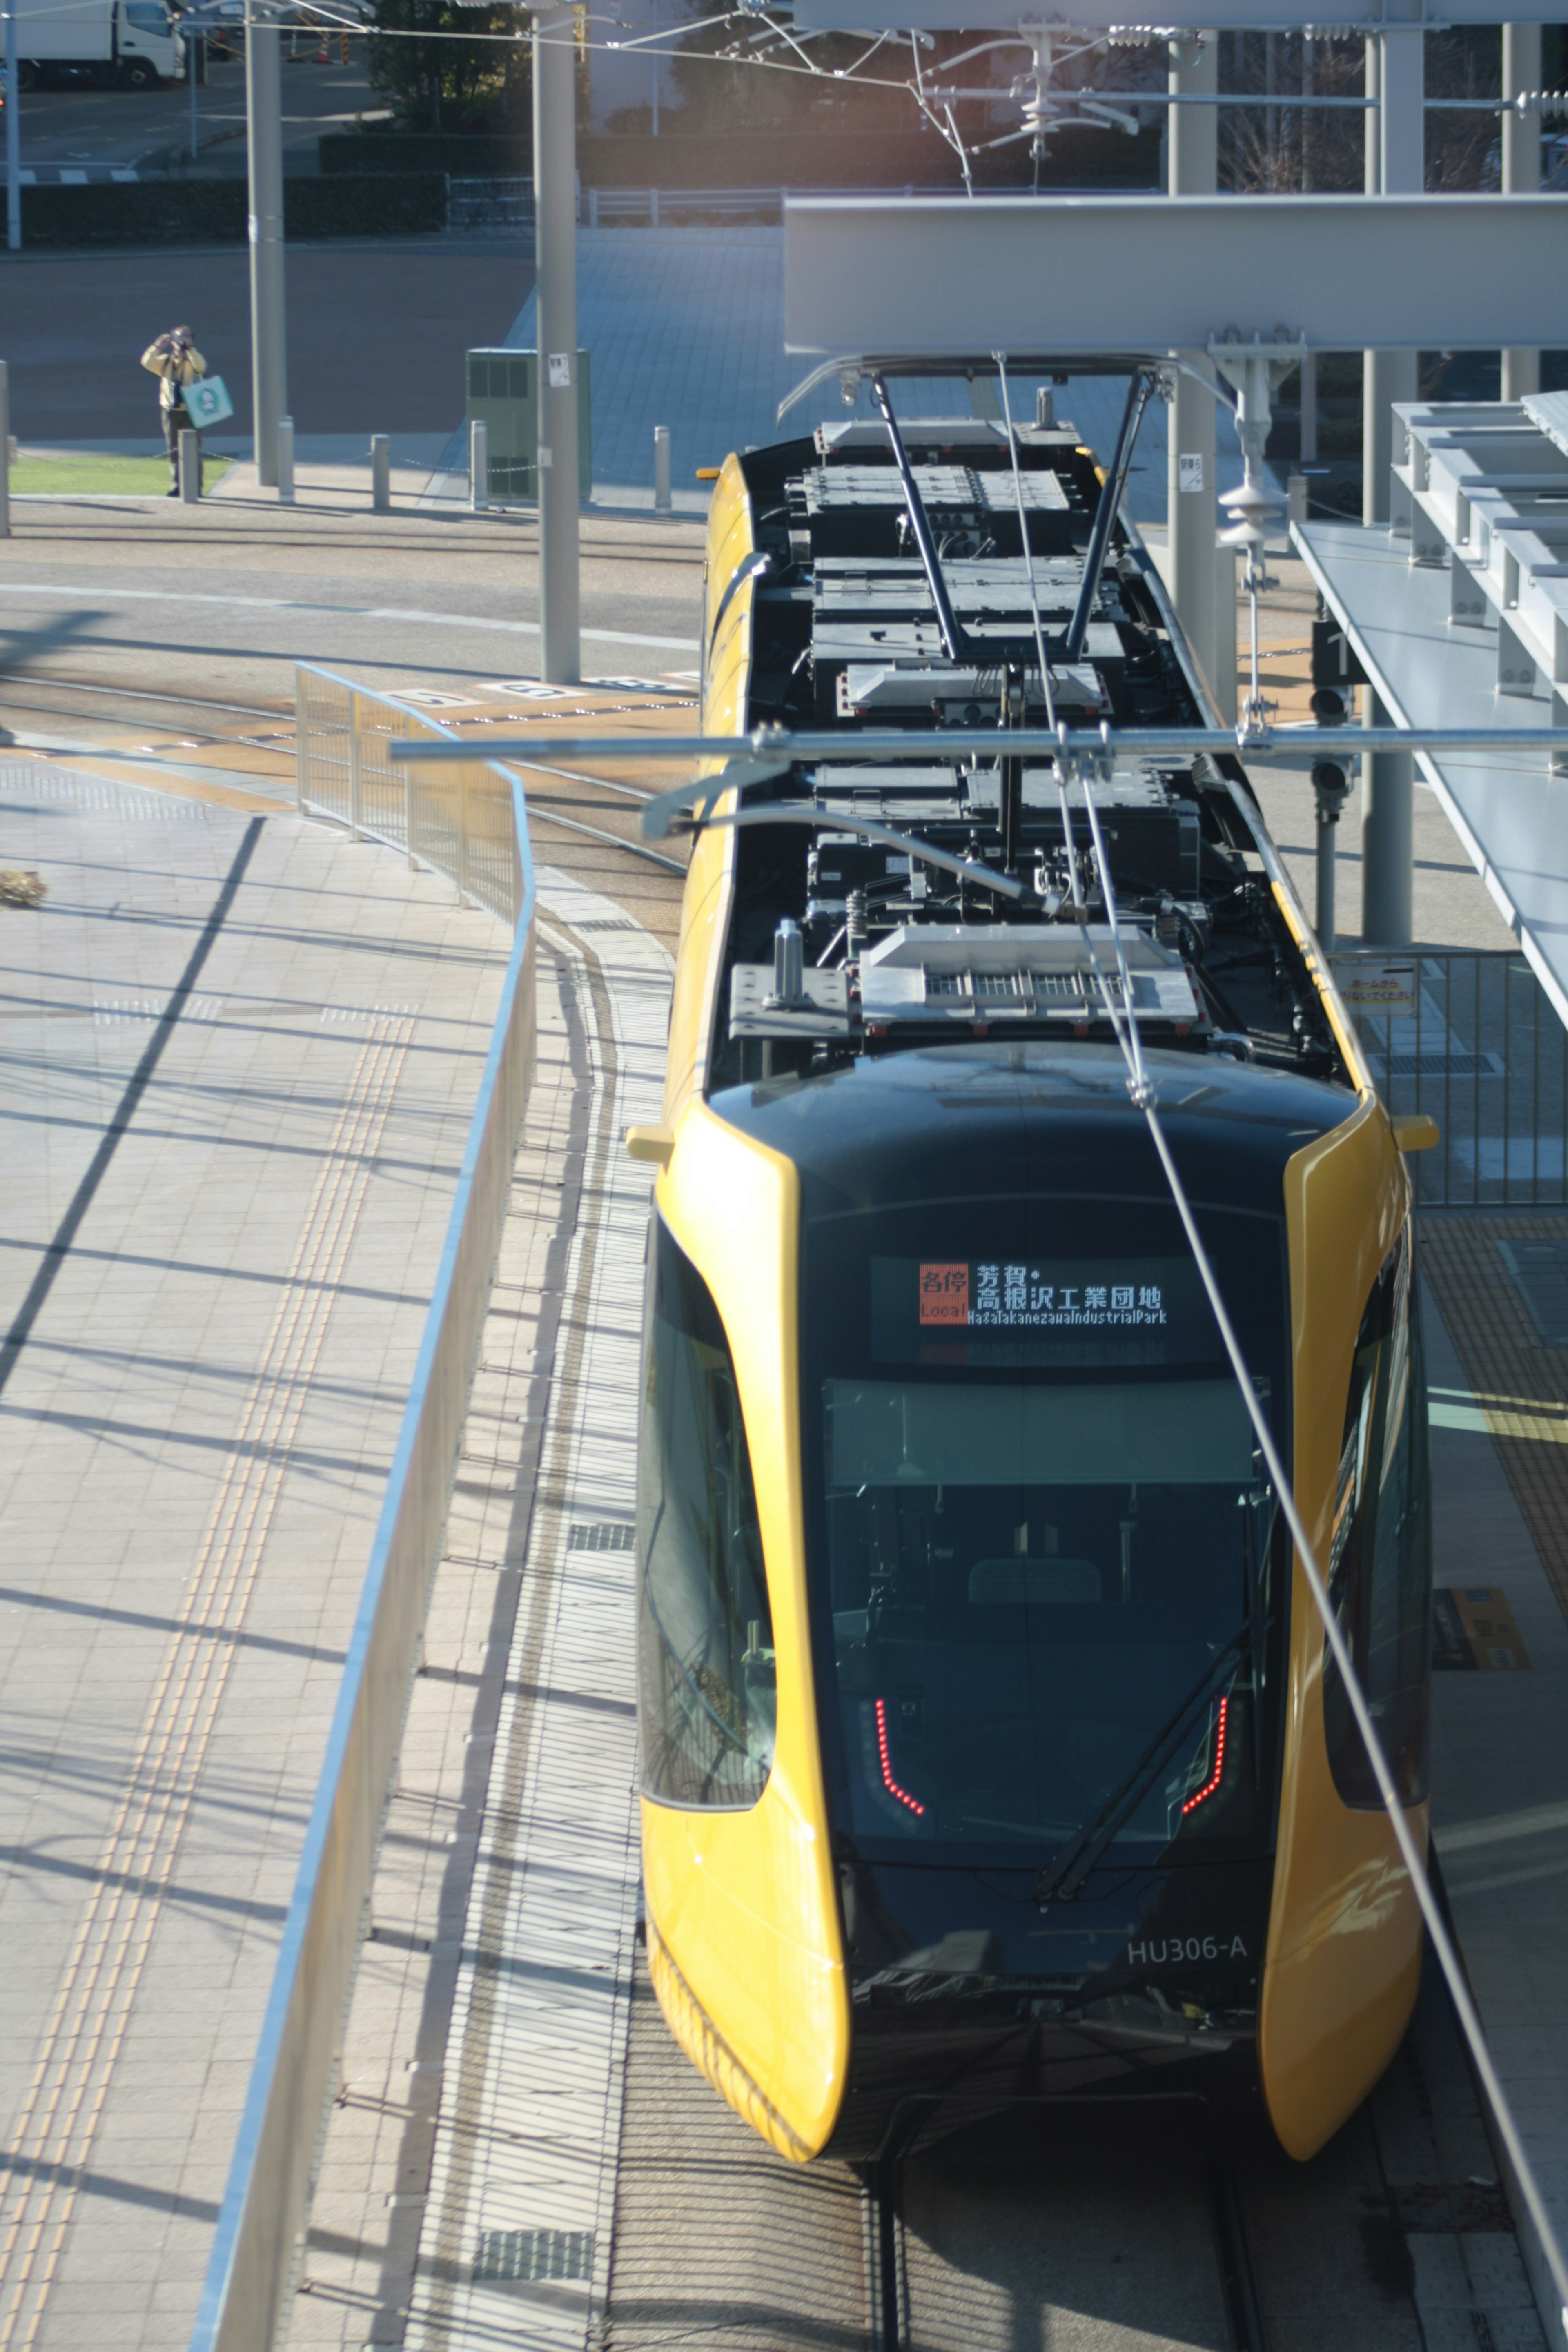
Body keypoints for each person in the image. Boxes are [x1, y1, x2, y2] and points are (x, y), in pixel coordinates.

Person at [140, 327, 208, 496]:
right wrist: (158, 346)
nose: (183, 340)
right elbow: (147, 363)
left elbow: (202, 367)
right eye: (179, 337)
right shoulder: (166, 362)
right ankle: (178, 485)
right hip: (171, 410)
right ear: (172, 342)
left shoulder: (194, 360)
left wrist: (189, 350)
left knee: (194, 450)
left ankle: (196, 487)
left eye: (187, 337)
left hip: (193, 411)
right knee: (174, 450)